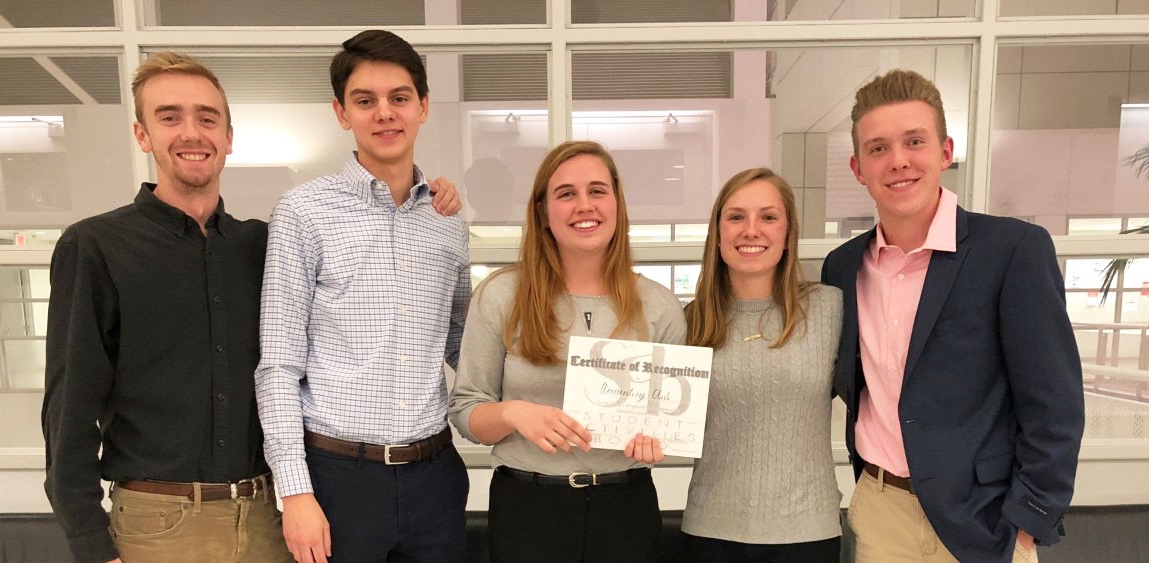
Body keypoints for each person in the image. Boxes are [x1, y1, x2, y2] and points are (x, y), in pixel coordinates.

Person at [819, 69, 1084, 563]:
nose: (897, 161)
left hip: (986, 524)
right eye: (878, 148)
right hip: (881, 513)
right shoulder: (842, 267)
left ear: (945, 151)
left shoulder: (1013, 251)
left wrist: (1027, 523)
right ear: (858, 169)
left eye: (913, 141)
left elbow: (1055, 404)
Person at [41, 52, 292, 563]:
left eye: (207, 117)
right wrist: (90, 543)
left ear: (228, 136)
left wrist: (428, 195)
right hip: (156, 527)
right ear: (142, 135)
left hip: (268, 519)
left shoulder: (264, 247)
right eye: (169, 117)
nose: (192, 133)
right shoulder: (95, 246)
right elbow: (69, 409)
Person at [254, 30, 469, 563]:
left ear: (423, 106)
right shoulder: (303, 212)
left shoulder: (448, 221)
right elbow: (278, 365)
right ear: (340, 111)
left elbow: (462, 342)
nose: (385, 114)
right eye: (365, 101)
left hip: (435, 477)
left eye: (399, 98)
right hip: (337, 480)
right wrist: (296, 491)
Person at [449, 140, 687, 563]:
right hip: (528, 507)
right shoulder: (501, 295)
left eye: (597, 191)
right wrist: (513, 412)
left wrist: (659, 440)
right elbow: (467, 410)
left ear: (617, 203)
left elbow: (669, 424)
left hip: (625, 508)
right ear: (542, 211)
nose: (584, 205)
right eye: (566, 194)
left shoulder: (659, 305)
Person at [681, 168, 842, 562]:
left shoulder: (829, 308)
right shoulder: (689, 321)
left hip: (808, 533)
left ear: (787, 234)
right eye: (736, 217)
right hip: (710, 531)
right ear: (718, 234)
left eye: (768, 217)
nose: (751, 230)